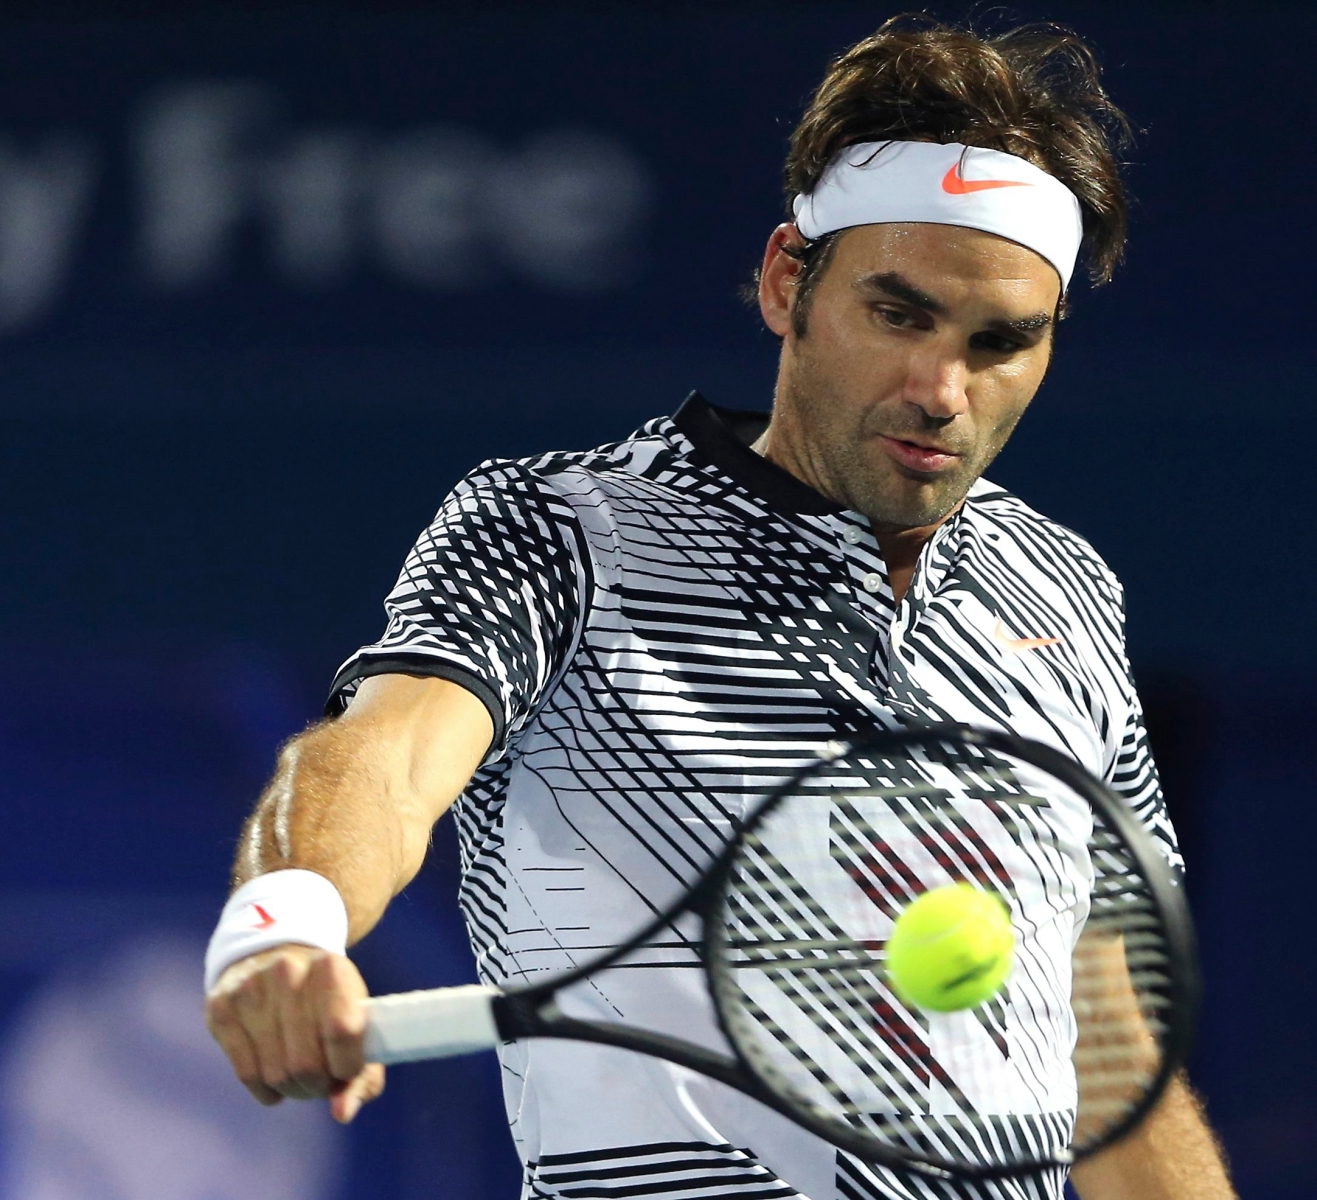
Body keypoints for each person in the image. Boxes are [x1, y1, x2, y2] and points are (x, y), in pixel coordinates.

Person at [202, 16, 1236, 1200]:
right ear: (788, 280)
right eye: (898, 313)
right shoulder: (560, 530)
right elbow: (382, 757)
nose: (940, 391)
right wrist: (285, 924)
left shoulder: (1062, 588)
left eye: (999, 342)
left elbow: (1103, 1044)